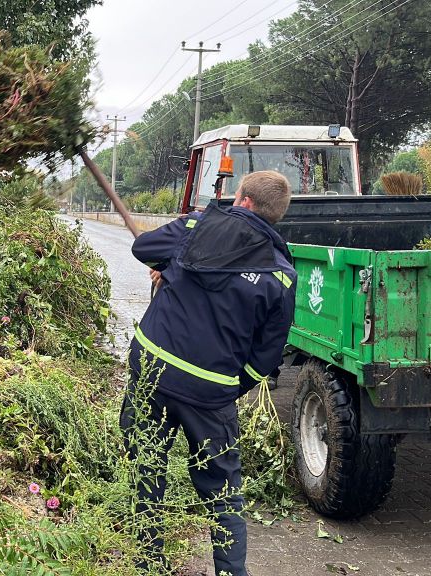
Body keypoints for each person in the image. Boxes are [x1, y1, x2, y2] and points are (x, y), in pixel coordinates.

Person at [120, 170, 296, 575]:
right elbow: (267, 355)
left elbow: (144, 247)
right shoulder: (282, 274)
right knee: (222, 491)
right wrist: (232, 386)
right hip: (211, 395)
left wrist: (167, 265)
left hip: (153, 372)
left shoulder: (197, 225)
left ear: (244, 200)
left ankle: (149, 561)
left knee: (146, 463)